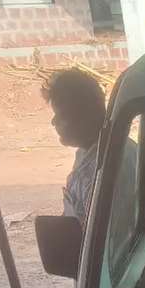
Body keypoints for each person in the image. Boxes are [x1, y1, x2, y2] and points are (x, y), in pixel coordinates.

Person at [43, 69, 106, 224]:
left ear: (84, 117)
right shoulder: (86, 153)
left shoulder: (99, 172)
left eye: (61, 115)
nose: (54, 122)